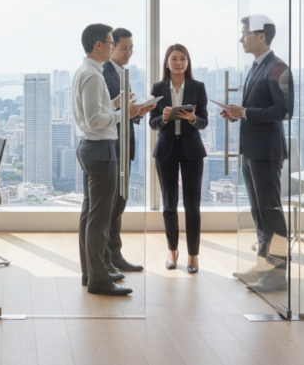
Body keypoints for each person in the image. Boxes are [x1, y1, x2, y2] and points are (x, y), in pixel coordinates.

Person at [222, 15, 294, 293]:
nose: (242, 39)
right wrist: (238, 114)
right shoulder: (256, 67)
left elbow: (284, 111)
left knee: (271, 213)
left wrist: (247, 113)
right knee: (258, 212)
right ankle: (264, 267)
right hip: (251, 151)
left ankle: (277, 275)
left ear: (261, 36)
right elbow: (255, 109)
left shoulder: (278, 68)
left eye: (245, 34)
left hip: (266, 152)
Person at [73, 23, 144, 296]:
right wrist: (122, 114)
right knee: (99, 220)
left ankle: (90, 273)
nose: (114, 47)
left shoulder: (86, 72)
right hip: (100, 151)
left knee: (90, 216)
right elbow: (94, 120)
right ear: (99, 45)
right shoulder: (93, 76)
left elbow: (93, 112)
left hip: (90, 148)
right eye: (110, 42)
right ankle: (99, 280)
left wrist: (114, 105)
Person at [148, 44, 208, 274]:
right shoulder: (158, 88)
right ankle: (172, 251)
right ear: (166, 63)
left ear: (188, 62)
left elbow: (204, 120)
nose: (178, 63)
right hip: (166, 152)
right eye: (174, 59)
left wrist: (193, 118)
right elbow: (152, 123)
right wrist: (163, 118)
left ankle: (193, 255)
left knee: (193, 206)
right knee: (169, 204)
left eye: (183, 59)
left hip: (192, 151)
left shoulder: (198, 87)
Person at [101, 28, 151, 275]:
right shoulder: (104, 73)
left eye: (131, 48)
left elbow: (123, 113)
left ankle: (115, 255)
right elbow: (105, 114)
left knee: (119, 204)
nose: (129, 53)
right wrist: (127, 111)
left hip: (124, 146)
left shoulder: (121, 73)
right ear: (111, 48)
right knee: (111, 207)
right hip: (112, 147)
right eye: (124, 48)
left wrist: (137, 112)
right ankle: (106, 260)